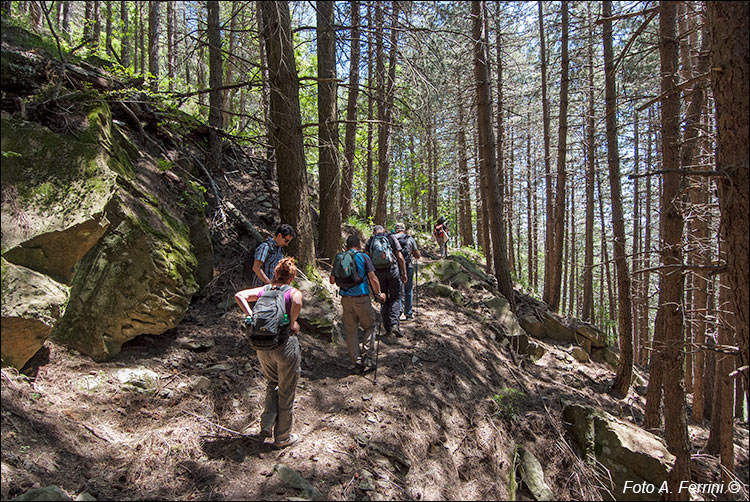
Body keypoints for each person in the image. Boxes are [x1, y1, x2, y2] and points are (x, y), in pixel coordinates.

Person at [234, 257, 303, 448]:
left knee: (272, 383)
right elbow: (297, 301)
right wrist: (292, 323)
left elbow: (239, 295)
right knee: (286, 390)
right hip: (285, 344)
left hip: (262, 345)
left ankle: (266, 425)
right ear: (291, 277)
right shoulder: (293, 292)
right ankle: (282, 437)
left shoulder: (264, 290)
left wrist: (251, 315)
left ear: (275, 274)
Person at [329, 235, 386, 373]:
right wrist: (379, 294)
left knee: (351, 332)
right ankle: (367, 358)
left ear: (346, 246)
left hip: (345, 299)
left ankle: (356, 362)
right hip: (361, 298)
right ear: (359, 245)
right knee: (370, 326)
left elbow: (331, 280)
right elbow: (373, 278)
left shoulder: (340, 257)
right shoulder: (364, 257)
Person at [365, 225, 407, 336]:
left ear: (374, 232)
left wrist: (369, 275)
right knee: (395, 297)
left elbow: (366, 258)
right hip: (392, 271)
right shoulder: (390, 237)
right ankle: (394, 325)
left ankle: (387, 327)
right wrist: (404, 273)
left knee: (383, 297)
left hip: (378, 273)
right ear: (383, 231)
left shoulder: (371, 240)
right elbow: (399, 256)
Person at [393, 222, 421, 321]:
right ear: (404, 230)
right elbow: (417, 255)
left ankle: (398, 309)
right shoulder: (410, 239)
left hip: (395, 267)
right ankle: (408, 313)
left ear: (396, 229)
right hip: (408, 266)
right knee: (408, 289)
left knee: (397, 289)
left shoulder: (392, 238)